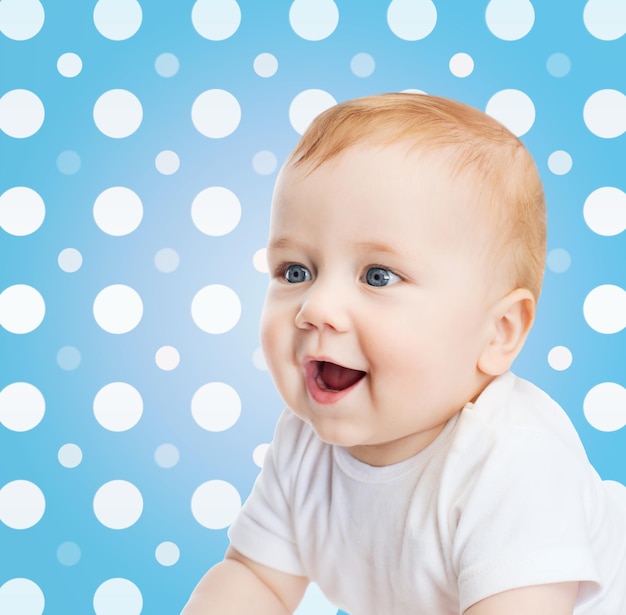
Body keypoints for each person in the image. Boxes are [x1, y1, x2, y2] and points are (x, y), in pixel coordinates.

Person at [181, 93, 626, 614]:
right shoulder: (303, 442)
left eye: (378, 276)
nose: (315, 307)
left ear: (498, 332)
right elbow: (255, 578)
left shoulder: (515, 462)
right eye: (295, 272)